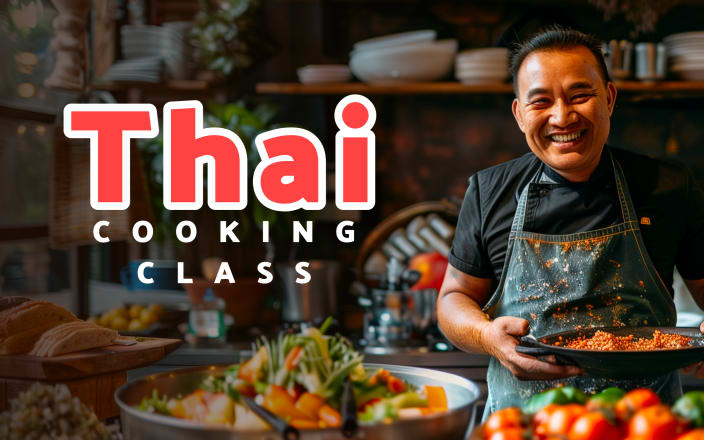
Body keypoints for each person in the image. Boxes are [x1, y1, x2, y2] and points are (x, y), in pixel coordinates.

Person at [436, 26, 704, 416]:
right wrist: (487, 336)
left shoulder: (667, 187)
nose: (562, 117)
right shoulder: (488, 191)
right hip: (523, 425)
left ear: (609, 98)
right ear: (519, 114)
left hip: (645, 423)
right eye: (541, 101)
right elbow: (452, 298)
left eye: (580, 96)